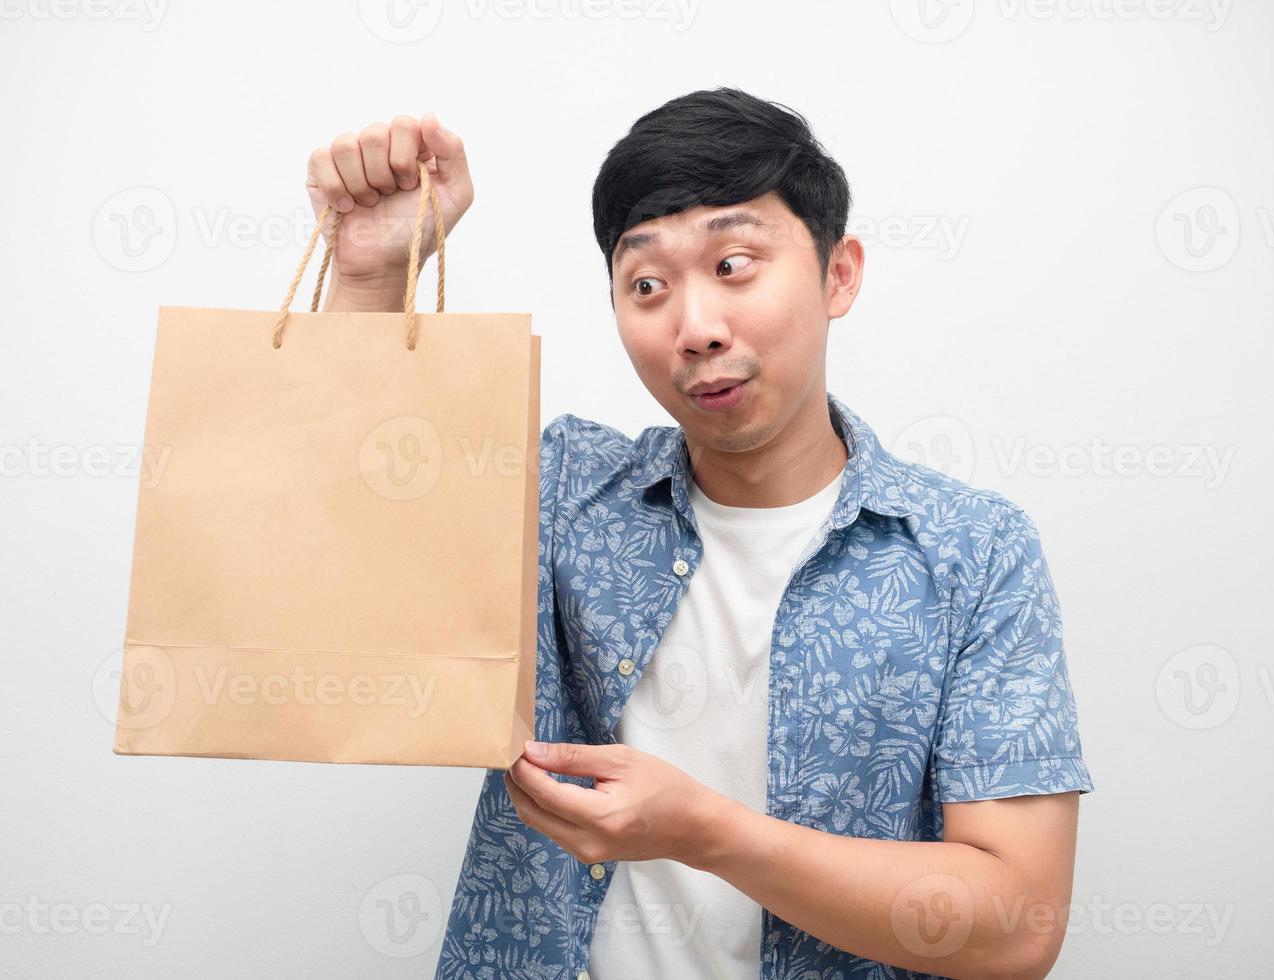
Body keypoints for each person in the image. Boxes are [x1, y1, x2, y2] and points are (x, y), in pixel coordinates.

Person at [309, 87, 1094, 980]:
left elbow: (1015, 925)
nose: (695, 329)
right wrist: (370, 278)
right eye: (647, 285)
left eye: (734, 265)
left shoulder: (971, 552)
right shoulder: (564, 492)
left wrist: (704, 833)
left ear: (838, 274)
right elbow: (345, 552)